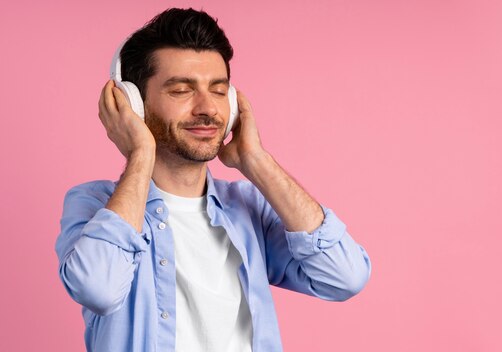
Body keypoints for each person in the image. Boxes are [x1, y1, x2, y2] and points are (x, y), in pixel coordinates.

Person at [55, 7, 371, 352]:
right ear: (135, 104)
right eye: (181, 90)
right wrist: (140, 154)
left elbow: (345, 277)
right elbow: (97, 288)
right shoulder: (94, 204)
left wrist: (256, 160)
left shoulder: (248, 208)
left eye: (219, 90)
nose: (207, 108)